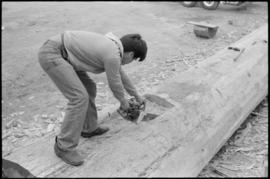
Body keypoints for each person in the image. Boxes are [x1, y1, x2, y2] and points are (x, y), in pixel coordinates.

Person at [38, 30, 147, 166]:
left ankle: (88, 128)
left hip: (64, 54)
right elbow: (115, 83)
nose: (130, 62)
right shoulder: (113, 54)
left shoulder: (113, 48)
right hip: (53, 54)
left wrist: (137, 96)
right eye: (134, 60)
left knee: (89, 88)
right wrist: (124, 102)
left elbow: (121, 76)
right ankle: (63, 146)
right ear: (131, 54)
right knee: (79, 98)